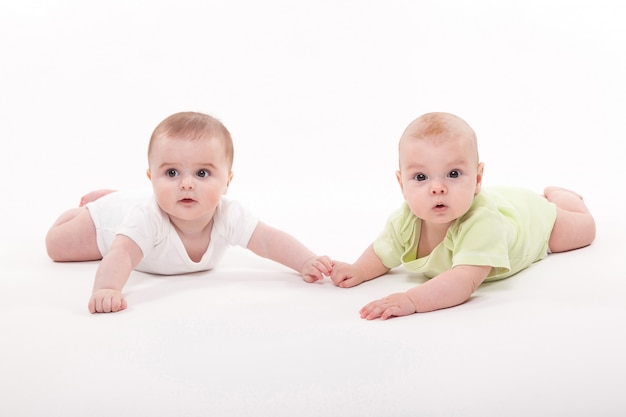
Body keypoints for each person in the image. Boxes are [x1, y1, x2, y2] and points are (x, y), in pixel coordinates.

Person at [46, 111, 333, 314]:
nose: (186, 183)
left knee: (140, 203)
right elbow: (122, 254)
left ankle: (119, 196)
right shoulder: (148, 218)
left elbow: (268, 240)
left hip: (132, 206)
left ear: (227, 182)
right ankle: (98, 204)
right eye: (171, 172)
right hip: (107, 223)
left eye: (202, 173)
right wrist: (106, 289)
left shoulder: (228, 215)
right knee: (56, 245)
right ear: (151, 177)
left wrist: (306, 261)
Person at [329, 112, 596, 320]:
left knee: (584, 230)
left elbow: (462, 281)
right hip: (503, 202)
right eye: (420, 177)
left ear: (477, 179)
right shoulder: (406, 220)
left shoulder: (481, 222)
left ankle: (562, 196)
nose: (437, 188)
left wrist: (412, 300)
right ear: (401, 184)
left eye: (453, 174)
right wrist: (359, 270)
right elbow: (381, 252)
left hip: (531, 221)